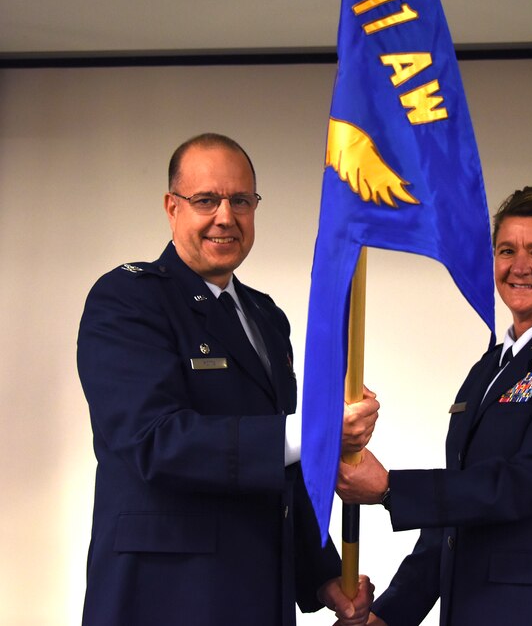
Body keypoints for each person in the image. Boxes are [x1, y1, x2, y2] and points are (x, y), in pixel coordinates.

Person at [77, 133, 378, 626]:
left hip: (260, 594)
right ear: (172, 207)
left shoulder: (265, 316)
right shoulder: (127, 300)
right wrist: (315, 431)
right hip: (165, 598)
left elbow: (282, 466)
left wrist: (322, 575)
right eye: (206, 200)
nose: (226, 216)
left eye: (241, 200)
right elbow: (155, 441)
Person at [337, 186, 532, 626]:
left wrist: (391, 488)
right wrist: (388, 615)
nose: (520, 267)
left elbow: (530, 483)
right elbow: (454, 518)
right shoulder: (488, 369)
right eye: (506, 250)